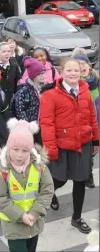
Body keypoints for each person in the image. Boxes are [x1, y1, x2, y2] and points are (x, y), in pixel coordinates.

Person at [40, 58, 99, 234]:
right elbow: (46, 123)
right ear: (62, 72)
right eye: (69, 70)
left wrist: (96, 140)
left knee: (80, 181)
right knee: (59, 179)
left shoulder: (85, 90)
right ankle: (47, 194)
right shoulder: (50, 94)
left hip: (83, 144)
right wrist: (50, 149)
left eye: (76, 70)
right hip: (61, 145)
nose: (73, 73)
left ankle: (77, 218)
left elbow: (92, 117)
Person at [0, 119, 54, 252]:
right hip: (13, 225)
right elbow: (0, 198)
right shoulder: (2, 169)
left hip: (34, 222)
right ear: (9, 148)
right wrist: (21, 216)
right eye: (15, 149)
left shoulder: (39, 166)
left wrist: (35, 213)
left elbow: (47, 190)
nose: (19, 155)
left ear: (30, 150)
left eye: (25, 150)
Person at [72, 54, 100, 189]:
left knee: (93, 151)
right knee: (84, 151)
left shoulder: (96, 79)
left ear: (89, 65)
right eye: (79, 64)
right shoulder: (75, 84)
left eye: (84, 63)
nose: (82, 66)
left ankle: (86, 171)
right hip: (83, 121)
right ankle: (87, 175)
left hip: (97, 119)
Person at [11, 57, 46, 144]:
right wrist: (29, 126)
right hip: (29, 129)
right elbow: (20, 111)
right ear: (33, 76)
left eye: (43, 73)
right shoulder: (24, 92)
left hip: (43, 127)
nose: (42, 76)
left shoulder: (45, 89)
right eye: (39, 74)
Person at [0, 42, 21, 107]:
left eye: (9, 51)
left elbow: (18, 81)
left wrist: (16, 96)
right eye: (4, 52)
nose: (7, 54)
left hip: (11, 99)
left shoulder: (14, 65)